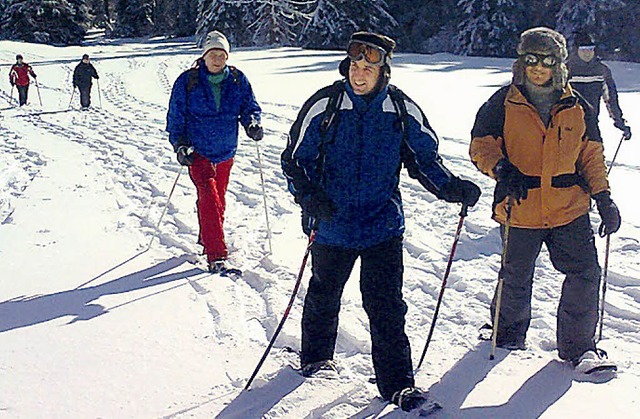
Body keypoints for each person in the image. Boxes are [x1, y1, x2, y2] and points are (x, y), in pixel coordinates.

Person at [282, 31, 481, 411]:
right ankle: (316, 358)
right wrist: (308, 196)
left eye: (368, 67)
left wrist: (451, 187)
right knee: (325, 293)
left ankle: (398, 385)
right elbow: (294, 159)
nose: (360, 73)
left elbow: (424, 159)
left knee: (386, 304)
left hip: (381, 225)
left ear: (383, 71)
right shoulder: (325, 104)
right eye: (355, 65)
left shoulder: (400, 108)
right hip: (332, 223)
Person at [469, 27, 621, 373]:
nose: (538, 68)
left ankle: (580, 348)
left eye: (547, 61)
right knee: (515, 275)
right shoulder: (501, 102)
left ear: (559, 64)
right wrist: (502, 169)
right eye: (531, 60)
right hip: (520, 206)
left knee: (584, 272)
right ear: (521, 62)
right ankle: (505, 334)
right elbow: (481, 146)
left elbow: (591, 156)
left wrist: (604, 198)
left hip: (569, 207)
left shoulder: (577, 106)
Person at [166, 30, 263, 273]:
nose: (217, 59)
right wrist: (179, 144)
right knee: (209, 195)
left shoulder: (238, 80)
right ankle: (216, 253)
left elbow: (249, 107)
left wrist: (252, 123)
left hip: (226, 150)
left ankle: (206, 236)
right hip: (197, 150)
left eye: (222, 54)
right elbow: (175, 116)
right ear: (204, 56)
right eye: (213, 54)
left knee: (217, 199)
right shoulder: (188, 81)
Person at [568, 32, 631, 140]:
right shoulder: (566, 70)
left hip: (591, 126)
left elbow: (611, 98)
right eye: (583, 50)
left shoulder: (601, 71)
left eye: (590, 49)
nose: (587, 53)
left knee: (595, 155)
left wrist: (619, 121)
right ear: (576, 50)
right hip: (567, 127)